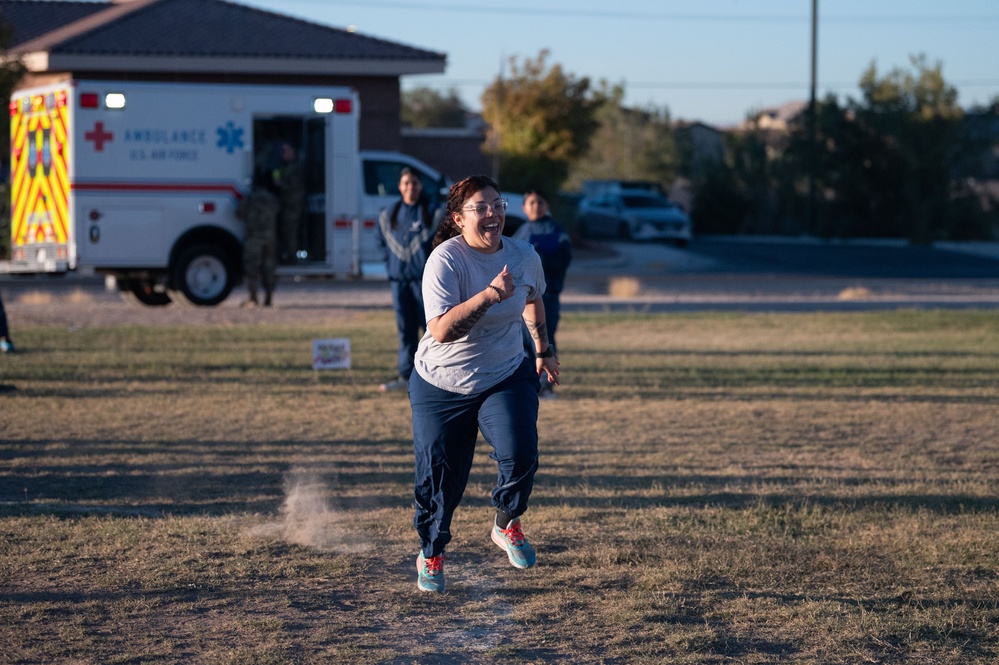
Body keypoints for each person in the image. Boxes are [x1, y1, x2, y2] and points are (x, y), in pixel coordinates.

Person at [409, 174, 560, 593]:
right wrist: (489, 295)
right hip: (440, 382)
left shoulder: (524, 255)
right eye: (481, 207)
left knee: (521, 453)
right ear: (459, 218)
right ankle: (432, 552)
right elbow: (440, 330)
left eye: (498, 204)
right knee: (440, 480)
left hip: (505, 372)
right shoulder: (446, 260)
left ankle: (506, 522)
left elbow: (532, 296)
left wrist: (544, 348)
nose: (493, 213)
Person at [376, 167, 443, 392]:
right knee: (405, 329)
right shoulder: (388, 213)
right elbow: (381, 244)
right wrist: (391, 267)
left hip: (425, 282)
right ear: (399, 186)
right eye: (406, 183)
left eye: (415, 183)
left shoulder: (433, 211)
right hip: (399, 281)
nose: (410, 187)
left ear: (421, 186)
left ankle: (435, 373)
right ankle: (406, 374)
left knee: (431, 328)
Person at [513, 188, 572, 398]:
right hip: (523, 299)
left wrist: (539, 260)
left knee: (545, 339)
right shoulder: (520, 233)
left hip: (547, 297)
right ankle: (529, 383)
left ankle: (546, 383)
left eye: (539, 202)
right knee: (523, 340)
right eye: (531, 203)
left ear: (546, 206)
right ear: (524, 207)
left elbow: (563, 260)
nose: (535, 206)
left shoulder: (556, 231)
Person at [236, 171, 281, 307]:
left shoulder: (250, 199)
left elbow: (239, 214)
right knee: (269, 268)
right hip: (270, 238)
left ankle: (253, 297)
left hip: (254, 239)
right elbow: (278, 211)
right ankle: (268, 298)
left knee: (252, 268)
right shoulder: (272, 199)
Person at [274, 142, 306, 264]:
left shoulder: (296, 167)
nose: (283, 154)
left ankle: (292, 257)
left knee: (291, 231)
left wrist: (280, 184)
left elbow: (294, 186)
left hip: (293, 205)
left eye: (285, 152)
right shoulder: (284, 166)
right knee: (286, 231)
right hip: (287, 204)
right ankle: (288, 254)